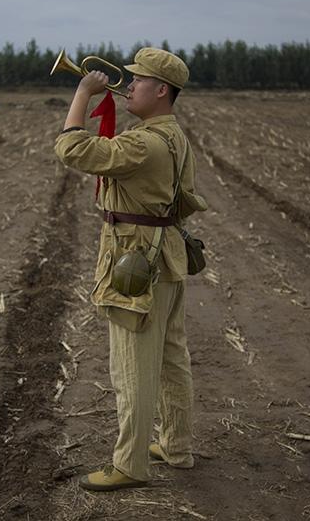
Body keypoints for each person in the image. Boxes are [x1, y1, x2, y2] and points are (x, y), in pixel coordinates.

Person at [54, 47, 207, 491]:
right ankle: (176, 448)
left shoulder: (142, 142)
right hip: (168, 260)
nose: (128, 85)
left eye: (137, 80)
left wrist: (83, 93)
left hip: (138, 266)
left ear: (161, 90)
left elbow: (72, 148)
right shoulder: (174, 135)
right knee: (172, 361)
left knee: (132, 370)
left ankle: (129, 465)